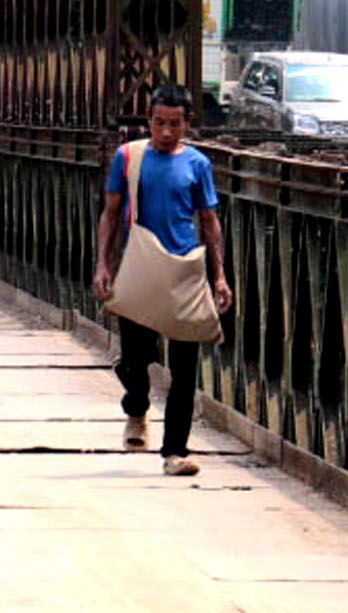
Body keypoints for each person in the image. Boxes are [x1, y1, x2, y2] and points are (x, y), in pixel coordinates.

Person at [92, 83, 233, 477]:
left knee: (185, 369)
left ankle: (175, 452)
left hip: (185, 268)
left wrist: (218, 276)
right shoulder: (128, 158)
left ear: (187, 123)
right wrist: (103, 265)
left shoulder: (198, 165)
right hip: (140, 265)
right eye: (159, 123)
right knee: (136, 358)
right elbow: (111, 213)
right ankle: (136, 404)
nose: (166, 132)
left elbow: (209, 222)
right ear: (149, 121)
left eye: (175, 124)